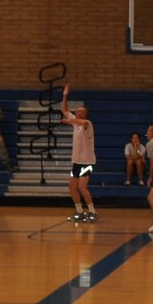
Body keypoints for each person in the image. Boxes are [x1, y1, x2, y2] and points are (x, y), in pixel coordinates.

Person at [59, 85, 98, 222]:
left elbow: (80, 121)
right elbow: (64, 110)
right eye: (77, 111)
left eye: (80, 111)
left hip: (87, 162)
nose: (78, 112)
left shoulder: (87, 124)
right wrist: (65, 96)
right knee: (72, 186)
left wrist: (69, 120)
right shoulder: (76, 124)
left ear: (85, 114)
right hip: (76, 162)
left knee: (82, 187)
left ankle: (92, 212)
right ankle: (80, 211)